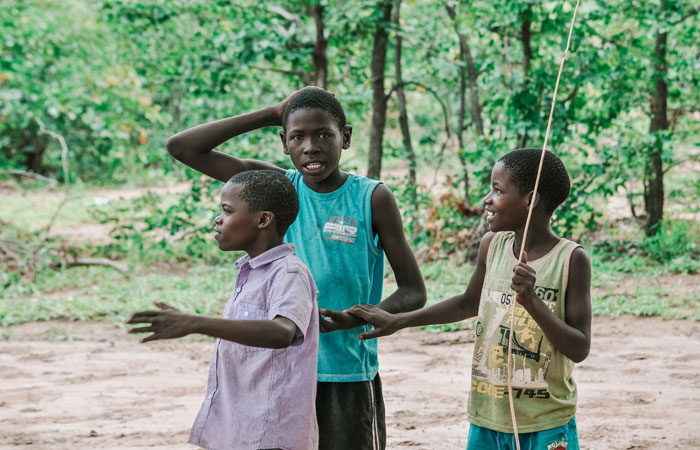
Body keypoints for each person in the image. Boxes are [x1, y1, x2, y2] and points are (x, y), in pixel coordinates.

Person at [165, 86, 426, 450]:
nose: (311, 146)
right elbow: (183, 147)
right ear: (283, 143)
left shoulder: (372, 197)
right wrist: (271, 112)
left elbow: (414, 291)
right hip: (279, 373)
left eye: (323, 134)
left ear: (345, 137)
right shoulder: (278, 188)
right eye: (297, 137)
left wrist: (357, 317)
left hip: (343, 372)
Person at [350, 148, 592, 450]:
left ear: (530, 200)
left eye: (497, 190)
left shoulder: (571, 259)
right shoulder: (492, 245)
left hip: (547, 422)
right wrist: (399, 321)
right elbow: (468, 303)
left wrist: (533, 303)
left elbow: (579, 348)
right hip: (488, 418)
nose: (486, 199)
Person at [127, 170, 319, 450]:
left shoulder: (289, 273)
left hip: (271, 434)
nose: (218, 219)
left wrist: (197, 323)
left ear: (263, 220)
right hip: (241, 429)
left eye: (227, 211)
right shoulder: (250, 273)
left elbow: (281, 332)